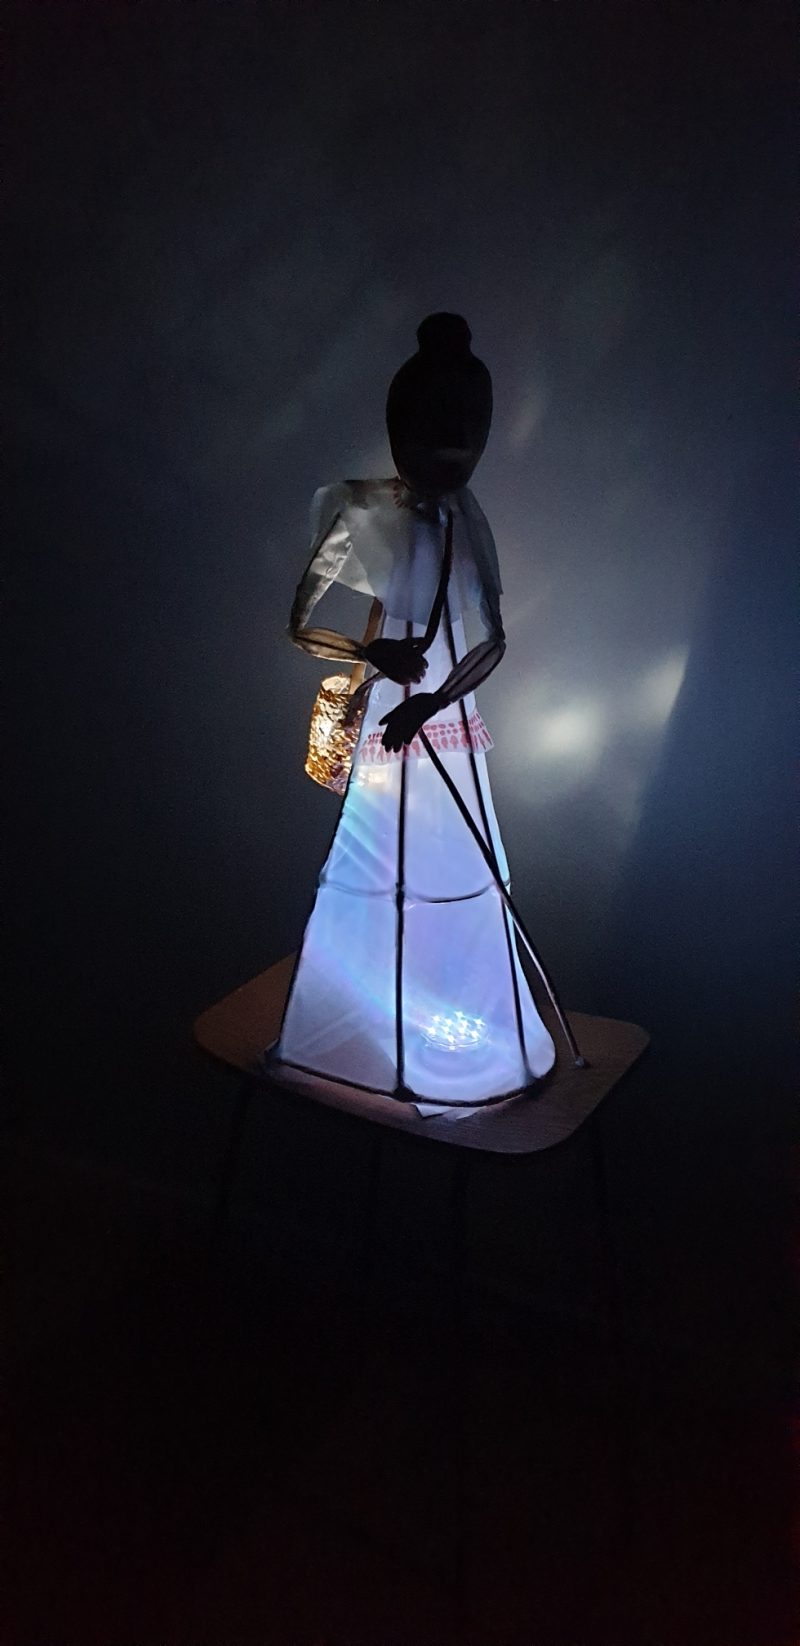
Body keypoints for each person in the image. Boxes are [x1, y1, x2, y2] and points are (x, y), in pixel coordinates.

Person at [267, 314, 556, 1109]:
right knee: (384, 865)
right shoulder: (365, 510)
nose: (455, 439)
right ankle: (359, 1030)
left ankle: (447, 1020)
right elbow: (300, 623)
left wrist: (430, 700)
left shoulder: (467, 521)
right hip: (398, 713)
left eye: (470, 423)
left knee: (449, 875)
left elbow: (492, 640)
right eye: (436, 421)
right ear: (401, 425)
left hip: (433, 711)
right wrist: (374, 655)